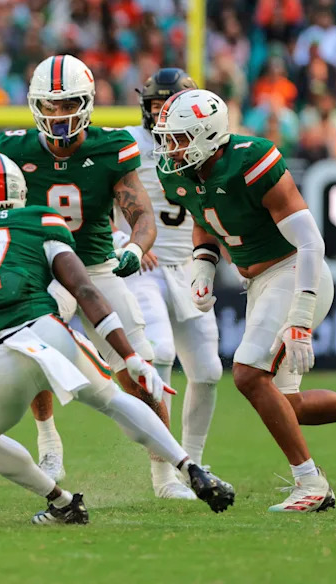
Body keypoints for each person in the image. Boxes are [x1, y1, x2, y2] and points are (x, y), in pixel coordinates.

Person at [0, 54, 189, 498]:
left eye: (68, 105)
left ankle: (164, 475)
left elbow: (142, 215)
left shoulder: (111, 146)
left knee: (135, 368)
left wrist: (135, 249)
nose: (59, 115)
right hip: (39, 267)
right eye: (50, 105)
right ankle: (48, 438)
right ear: (34, 105)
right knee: (31, 349)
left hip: (97, 266)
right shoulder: (13, 148)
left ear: (86, 104)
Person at [0, 153, 234, 523]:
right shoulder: (40, 220)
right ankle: (190, 467)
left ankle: (61, 502)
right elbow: (86, 291)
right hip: (50, 335)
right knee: (112, 399)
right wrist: (131, 357)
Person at [155, 88, 336, 513]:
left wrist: (299, 315)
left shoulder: (253, 161)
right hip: (259, 282)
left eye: (179, 138)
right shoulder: (182, 174)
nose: (170, 148)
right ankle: (309, 480)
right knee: (288, 404)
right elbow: (204, 223)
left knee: (245, 373)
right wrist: (202, 266)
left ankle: (310, 483)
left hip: (297, 270)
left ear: (207, 135)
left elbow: (312, 242)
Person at [116, 68, 223, 469]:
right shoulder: (127, 140)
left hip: (190, 264)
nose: (160, 113)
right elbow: (97, 199)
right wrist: (125, 242)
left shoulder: (203, 140)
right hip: (144, 265)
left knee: (209, 371)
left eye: (169, 105)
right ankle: (164, 469)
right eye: (155, 105)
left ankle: (192, 462)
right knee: (158, 351)